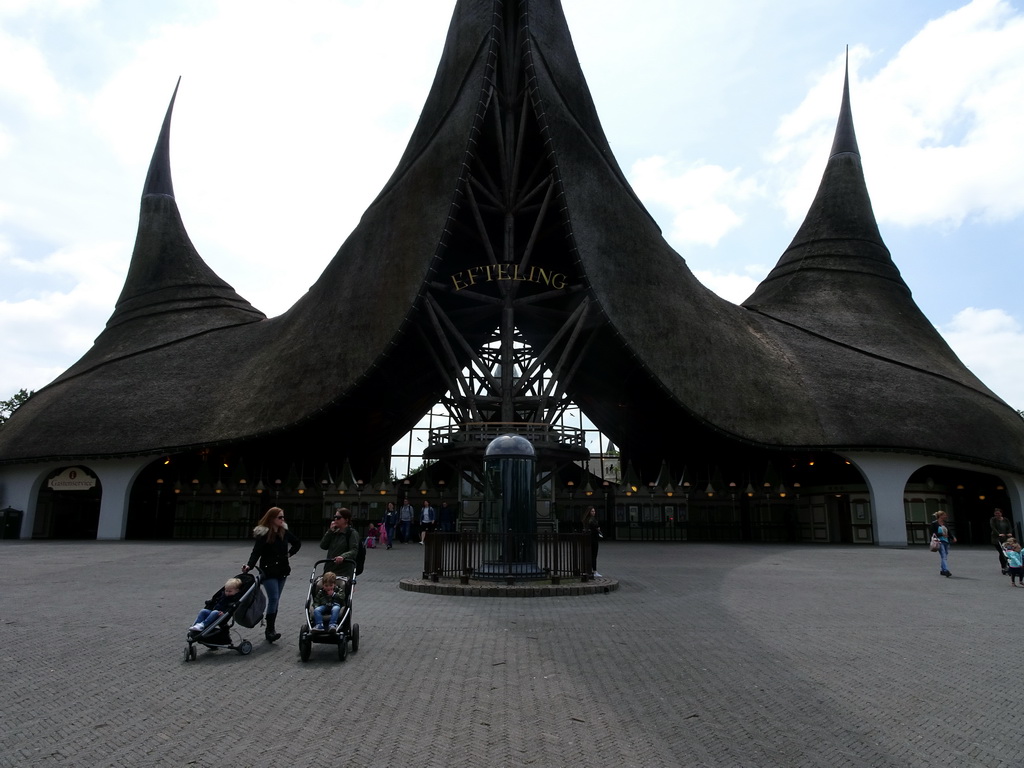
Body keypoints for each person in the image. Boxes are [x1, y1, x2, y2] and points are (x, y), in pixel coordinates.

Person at [243, 506, 301, 642]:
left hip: (282, 570)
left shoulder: (284, 532)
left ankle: (270, 628)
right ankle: (270, 630)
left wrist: (289, 554)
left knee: (276, 600)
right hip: (268, 570)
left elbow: (297, 543)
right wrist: (249, 565)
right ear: (272, 518)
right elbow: (256, 552)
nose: (282, 520)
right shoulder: (264, 534)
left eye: (283, 517)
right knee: (273, 598)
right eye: (280, 517)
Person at [320, 507, 359, 581]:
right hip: (330, 569)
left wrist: (343, 557)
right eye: (335, 517)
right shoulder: (334, 532)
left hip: (343, 571)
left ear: (346, 520)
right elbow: (323, 546)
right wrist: (330, 531)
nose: (335, 520)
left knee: (340, 588)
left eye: (338, 518)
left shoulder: (351, 533)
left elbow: (354, 550)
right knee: (318, 586)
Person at [931, 510, 956, 578]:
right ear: (940, 516)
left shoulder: (945, 523)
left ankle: (942, 570)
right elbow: (933, 533)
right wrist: (941, 534)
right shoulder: (934, 523)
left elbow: (949, 532)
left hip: (946, 541)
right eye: (944, 515)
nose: (946, 516)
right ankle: (946, 570)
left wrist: (952, 537)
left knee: (944, 556)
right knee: (944, 555)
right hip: (939, 541)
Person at [990, 508, 1013, 574]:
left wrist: (1009, 533)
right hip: (997, 539)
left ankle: (1010, 565)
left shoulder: (1005, 519)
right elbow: (993, 527)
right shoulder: (993, 520)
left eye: (999, 513)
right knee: (1002, 552)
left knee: (1008, 552)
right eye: (996, 513)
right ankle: (1003, 566)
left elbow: (1009, 527)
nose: (997, 515)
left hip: (1005, 538)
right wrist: (998, 534)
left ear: (1001, 513)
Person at [583, 506, 603, 578]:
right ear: (589, 512)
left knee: (590, 555)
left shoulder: (586, 520)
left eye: (594, 511)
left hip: (590, 539)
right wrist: (597, 529)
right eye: (592, 511)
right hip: (593, 539)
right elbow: (595, 528)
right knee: (594, 555)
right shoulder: (591, 520)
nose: (593, 512)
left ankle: (589, 570)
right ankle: (594, 571)